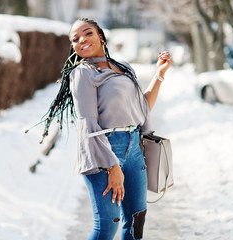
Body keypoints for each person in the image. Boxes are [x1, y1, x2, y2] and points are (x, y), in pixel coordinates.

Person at [39, 18, 172, 240]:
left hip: (133, 147)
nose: (81, 39)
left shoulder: (123, 67)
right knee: (107, 226)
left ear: (100, 36)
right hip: (103, 151)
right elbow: (89, 125)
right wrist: (113, 167)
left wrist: (160, 73)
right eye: (75, 39)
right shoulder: (83, 73)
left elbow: (142, 108)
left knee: (136, 222)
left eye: (87, 33)